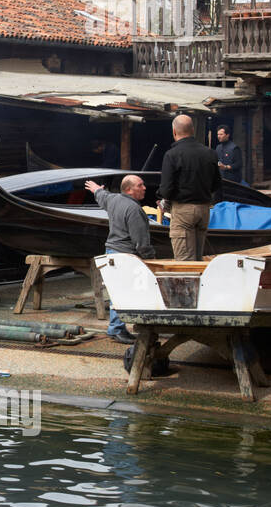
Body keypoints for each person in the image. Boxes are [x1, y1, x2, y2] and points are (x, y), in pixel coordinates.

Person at [85, 175, 155, 345]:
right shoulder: (134, 210)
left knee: (118, 291)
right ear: (129, 190)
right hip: (126, 255)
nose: (145, 187)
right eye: (140, 185)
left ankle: (118, 328)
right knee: (122, 292)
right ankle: (116, 329)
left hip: (112, 252)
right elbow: (141, 242)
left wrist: (96, 188)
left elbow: (101, 196)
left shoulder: (113, 199)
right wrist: (151, 259)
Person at [158, 114, 222, 261]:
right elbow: (217, 184)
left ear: (174, 131)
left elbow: (166, 190)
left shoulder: (172, 155)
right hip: (204, 209)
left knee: (184, 261)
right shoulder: (210, 153)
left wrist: (164, 202)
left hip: (183, 210)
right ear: (192, 130)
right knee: (198, 258)